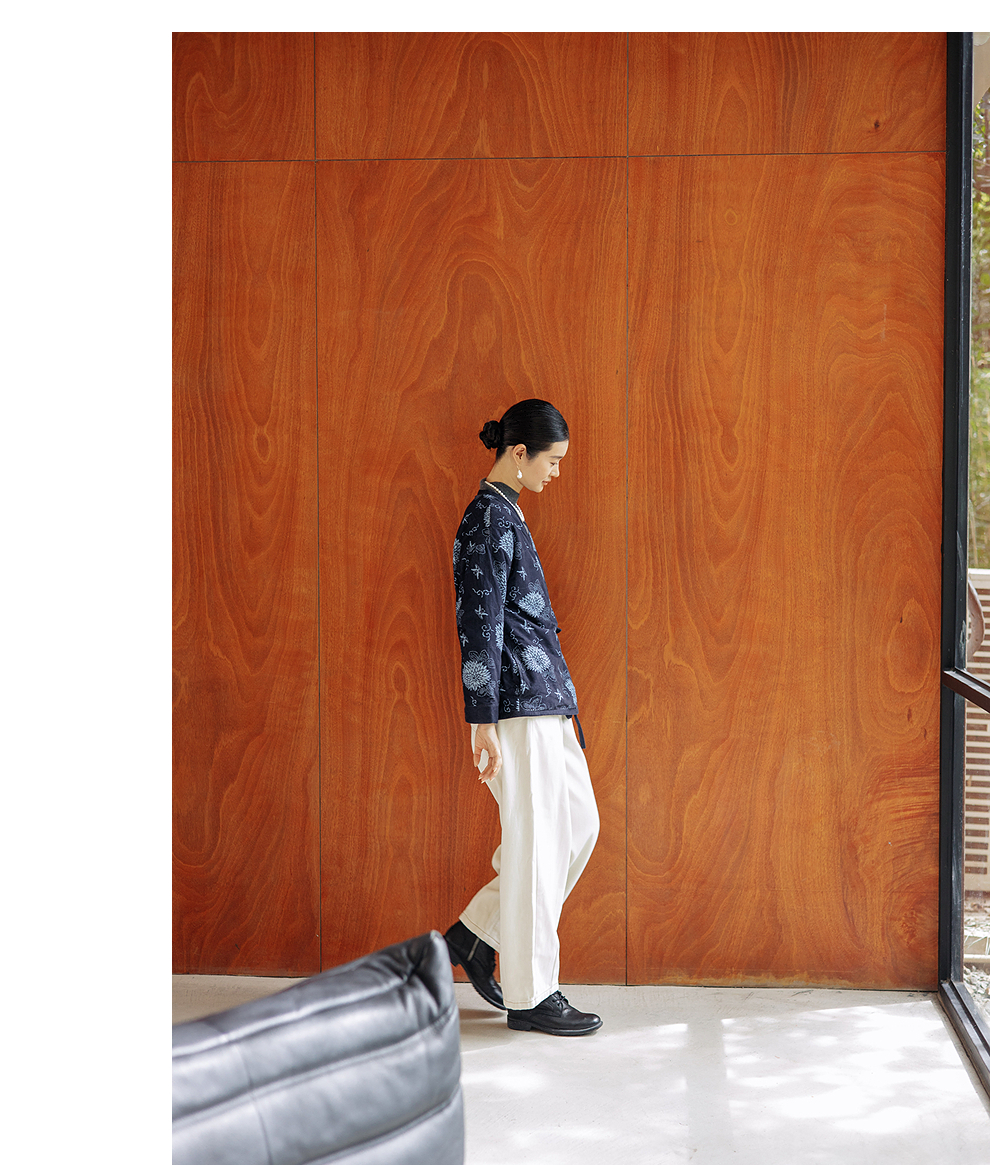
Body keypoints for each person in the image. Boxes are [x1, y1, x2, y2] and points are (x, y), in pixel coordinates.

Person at [444, 399, 602, 1036]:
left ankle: (479, 933)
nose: (556, 472)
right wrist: (481, 721)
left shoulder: (507, 513)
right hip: (516, 705)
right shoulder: (486, 520)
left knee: (578, 827)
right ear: (519, 454)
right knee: (539, 846)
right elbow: (477, 624)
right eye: (552, 461)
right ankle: (532, 996)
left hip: (547, 700)